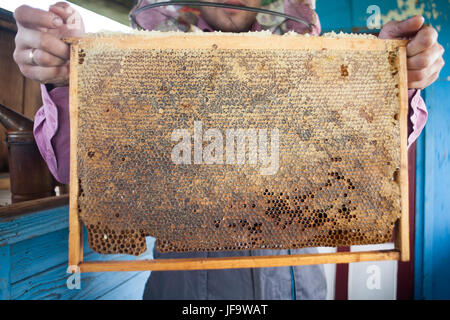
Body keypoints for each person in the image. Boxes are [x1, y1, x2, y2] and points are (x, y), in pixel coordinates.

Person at [13, 0, 444, 299]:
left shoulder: (313, 64)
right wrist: (71, 80)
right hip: (186, 292)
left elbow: (360, 156)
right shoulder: (146, 63)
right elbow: (83, 167)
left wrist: (391, 79)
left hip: (299, 286)